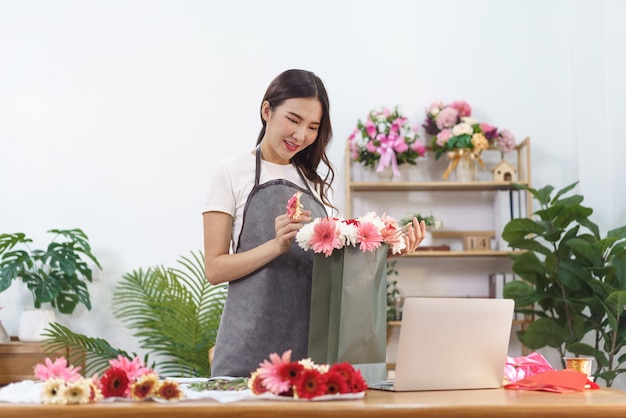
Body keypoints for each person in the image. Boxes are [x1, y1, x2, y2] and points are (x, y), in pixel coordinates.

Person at [202, 69, 425, 378]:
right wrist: (276, 245)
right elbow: (215, 269)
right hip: (246, 350)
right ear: (267, 111)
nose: (301, 135)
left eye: (312, 127)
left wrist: (385, 252)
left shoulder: (316, 185)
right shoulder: (230, 173)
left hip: (310, 353)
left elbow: (332, 267)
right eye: (293, 120)